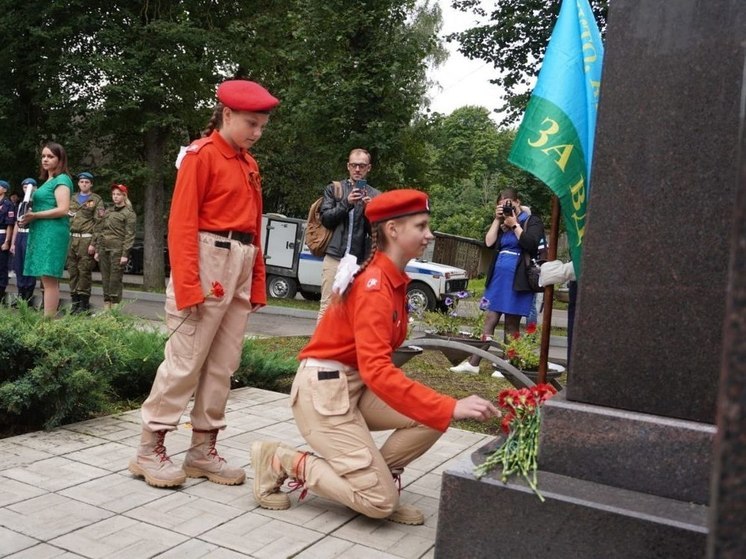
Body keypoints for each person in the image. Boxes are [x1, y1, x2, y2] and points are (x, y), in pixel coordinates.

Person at [251, 189, 499, 525]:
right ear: (393, 230)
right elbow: (378, 370)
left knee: (432, 414)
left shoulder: (392, 279)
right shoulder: (375, 286)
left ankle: (377, 480)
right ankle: (281, 460)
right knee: (379, 503)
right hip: (323, 393)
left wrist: (444, 407)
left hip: (352, 387)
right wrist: (452, 405)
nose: (429, 235)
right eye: (422, 226)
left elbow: (376, 367)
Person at [129, 79, 279, 488]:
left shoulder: (249, 164)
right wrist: (189, 286)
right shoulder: (202, 156)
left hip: (241, 261)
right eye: (251, 123)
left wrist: (258, 281)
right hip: (208, 258)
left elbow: (253, 227)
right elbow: (181, 224)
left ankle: (201, 450)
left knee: (222, 365)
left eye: (262, 126)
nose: (257, 133)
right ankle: (149, 448)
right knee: (185, 361)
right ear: (227, 115)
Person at [450, 188, 546, 375]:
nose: (507, 206)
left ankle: (507, 364)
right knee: (490, 319)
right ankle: (474, 363)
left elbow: (531, 244)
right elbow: (488, 242)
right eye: (502, 204)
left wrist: (515, 224)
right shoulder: (501, 223)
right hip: (499, 277)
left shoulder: (532, 221)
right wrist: (497, 220)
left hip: (519, 278)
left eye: (509, 202)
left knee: (511, 323)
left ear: (518, 201)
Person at [317, 149, 380, 321]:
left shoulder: (375, 195)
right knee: (327, 306)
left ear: (369, 168)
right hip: (335, 257)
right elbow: (326, 219)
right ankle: (320, 348)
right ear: (348, 166)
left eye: (362, 165)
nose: (357, 169)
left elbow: (378, 234)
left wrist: (371, 211)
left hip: (359, 261)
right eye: (354, 165)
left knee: (353, 309)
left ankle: (345, 348)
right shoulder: (334, 189)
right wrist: (347, 203)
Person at [18, 143, 74, 318]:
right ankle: (47, 319)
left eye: (50, 156)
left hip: (52, 232)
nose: (45, 159)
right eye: (43, 156)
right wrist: (27, 217)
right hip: (42, 231)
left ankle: (48, 322)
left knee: (49, 279)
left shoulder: (62, 180)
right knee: (45, 278)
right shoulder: (48, 181)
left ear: (60, 159)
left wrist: (35, 216)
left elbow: (63, 209)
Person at [93, 184, 135, 309]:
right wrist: (97, 249)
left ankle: (115, 311)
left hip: (117, 250)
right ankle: (107, 308)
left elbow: (130, 235)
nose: (115, 197)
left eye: (118, 194)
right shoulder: (109, 211)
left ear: (124, 196)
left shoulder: (129, 213)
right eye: (114, 194)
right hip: (104, 249)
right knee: (105, 279)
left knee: (115, 280)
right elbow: (101, 230)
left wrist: (125, 254)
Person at [68, 171, 104, 313]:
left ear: (91, 184)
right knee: (72, 271)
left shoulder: (96, 200)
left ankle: (83, 304)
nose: (84, 184)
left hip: (86, 239)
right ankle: (74, 302)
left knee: (84, 271)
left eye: (87, 182)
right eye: (82, 181)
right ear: (78, 183)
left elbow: (99, 223)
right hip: (72, 238)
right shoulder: (72, 198)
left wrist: (93, 244)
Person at [9, 178, 37, 305]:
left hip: (31, 235)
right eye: (25, 187)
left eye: (29, 187)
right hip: (20, 235)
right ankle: (21, 295)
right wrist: (13, 242)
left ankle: (28, 296)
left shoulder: (37, 203)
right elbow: (17, 223)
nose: (27, 189)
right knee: (19, 266)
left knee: (29, 266)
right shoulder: (21, 204)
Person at [0, 180, 16, 304]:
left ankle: (1, 293)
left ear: (5, 190)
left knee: (2, 266)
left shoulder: (8, 204)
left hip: (2, 235)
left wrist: (7, 241)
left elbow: (10, 225)